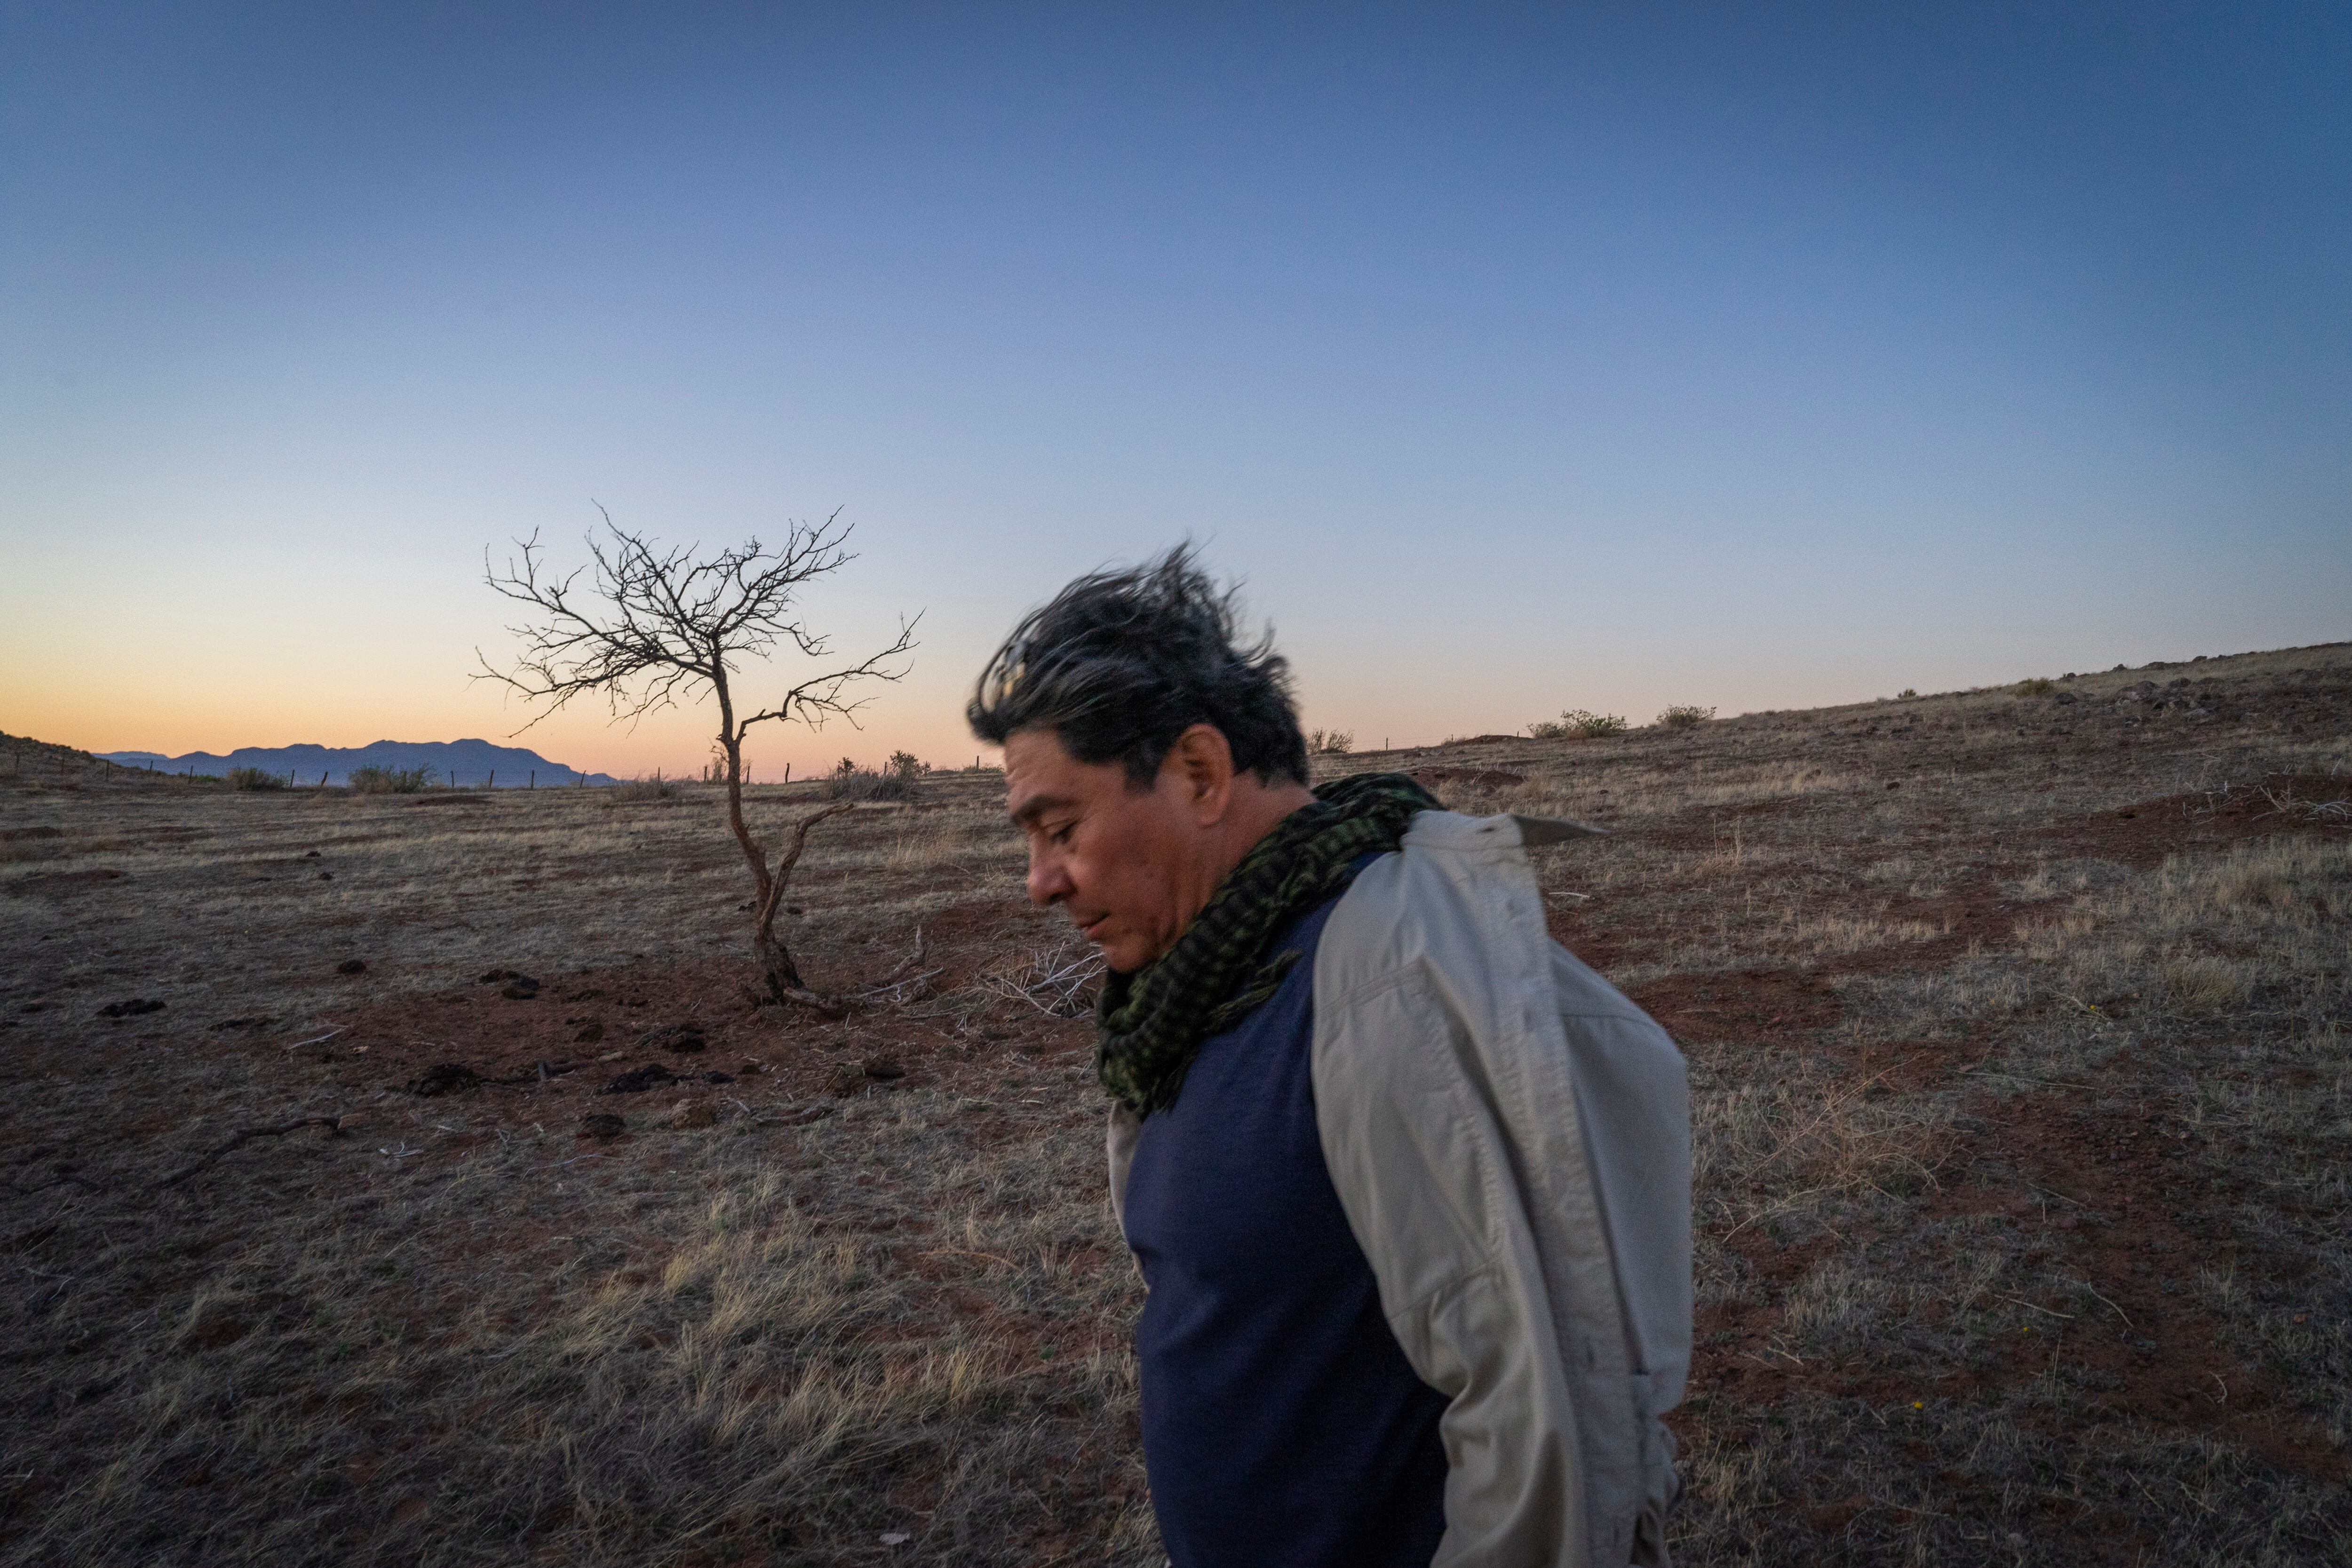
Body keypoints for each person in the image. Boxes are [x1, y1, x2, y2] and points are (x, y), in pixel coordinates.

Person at [967, 549, 1690, 1568]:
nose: (1039, 881)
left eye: (1059, 827)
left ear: (1200, 773)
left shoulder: (1383, 976)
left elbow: (1541, 1412)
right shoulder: (1204, 979)